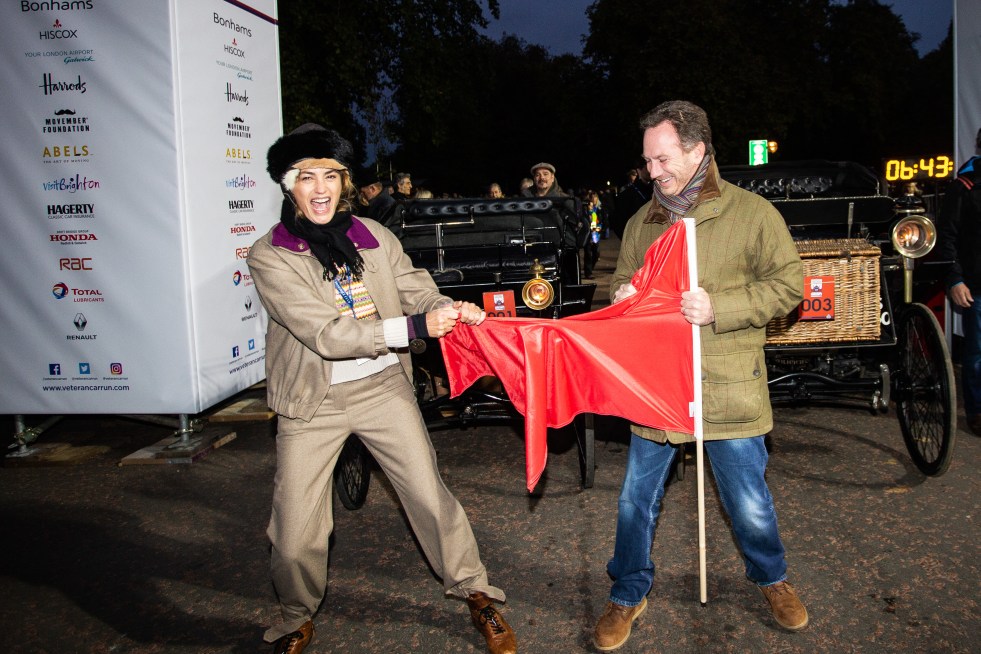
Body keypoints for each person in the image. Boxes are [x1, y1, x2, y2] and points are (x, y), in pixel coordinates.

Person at [247, 123, 517, 654]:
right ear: (287, 186)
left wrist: (441, 307)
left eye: (331, 175)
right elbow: (323, 332)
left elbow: (414, 286)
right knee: (296, 531)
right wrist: (412, 330)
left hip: (381, 388)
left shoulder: (373, 236)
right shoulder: (270, 254)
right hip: (311, 399)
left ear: (345, 182)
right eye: (306, 177)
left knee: (427, 495)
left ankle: (476, 592)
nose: (320, 187)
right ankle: (296, 616)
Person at [593, 101, 806, 651]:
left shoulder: (753, 214)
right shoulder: (644, 221)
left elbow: (788, 288)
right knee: (634, 502)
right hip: (657, 389)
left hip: (728, 383)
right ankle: (627, 591)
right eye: (647, 162)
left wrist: (720, 307)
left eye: (662, 160)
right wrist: (623, 297)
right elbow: (624, 280)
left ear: (697, 150)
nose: (652, 172)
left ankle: (772, 578)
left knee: (748, 500)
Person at [936, 127, 981, 435]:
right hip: (977, 287)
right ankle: (977, 412)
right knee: (977, 354)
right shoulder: (964, 186)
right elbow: (946, 237)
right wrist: (955, 279)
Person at [610, 165, 653, 239]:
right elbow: (618, 221)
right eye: (646, 167)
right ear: (639, 171)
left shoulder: (658, 190)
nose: (650, 170)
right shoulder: (627, 193)